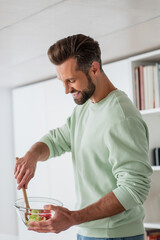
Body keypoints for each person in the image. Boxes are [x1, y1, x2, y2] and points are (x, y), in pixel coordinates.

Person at [14, 34, 152, 240]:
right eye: (62, 81)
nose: (66, 90)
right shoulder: (85, 108)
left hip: (115, 235)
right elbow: (56, 140)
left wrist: (73, 217)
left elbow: (135, 189)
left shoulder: (121, 116)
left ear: (94, 69)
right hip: (87, 232)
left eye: (71, 80)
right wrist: (32, 155)